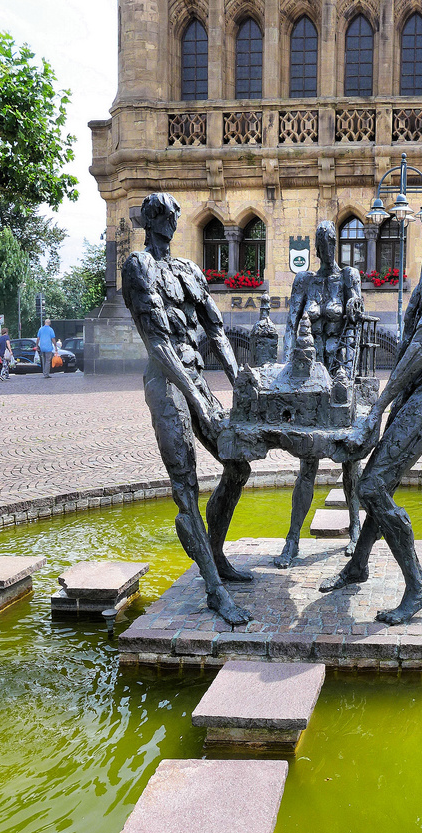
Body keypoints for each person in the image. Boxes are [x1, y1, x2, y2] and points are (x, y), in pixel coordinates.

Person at [320, 175, 422, 624]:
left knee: (372, 485)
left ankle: (417, 585)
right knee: (379, 481)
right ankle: (358, 565)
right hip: (415, 384)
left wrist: (376, 409)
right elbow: (413, 319)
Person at [121, 192, 253, 627]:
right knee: (186, 485)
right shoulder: (138, 267)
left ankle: (214, 554)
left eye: (177, 214)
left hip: (195, 378)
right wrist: (195, 397)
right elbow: (158, 342)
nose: (175, 221)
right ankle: (214, 588)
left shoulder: (187, 269)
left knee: (237, 464)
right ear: (152, 218)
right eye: (169, 214)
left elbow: (215, 330)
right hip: (166, 385)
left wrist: (239, 384)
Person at [274, 220, 364, 569]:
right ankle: (293, 539)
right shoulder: (304, 281)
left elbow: (355, 319)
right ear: (315, 245)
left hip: (341, 373)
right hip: (311, 377)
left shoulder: (348, 277)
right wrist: (285, 372)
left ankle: (355, 530)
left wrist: (346, 374)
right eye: (320, 241)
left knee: (350, 461)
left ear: (336, 244)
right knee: (306, 461)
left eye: (331, 241)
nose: (326, 247)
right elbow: (291, 324)